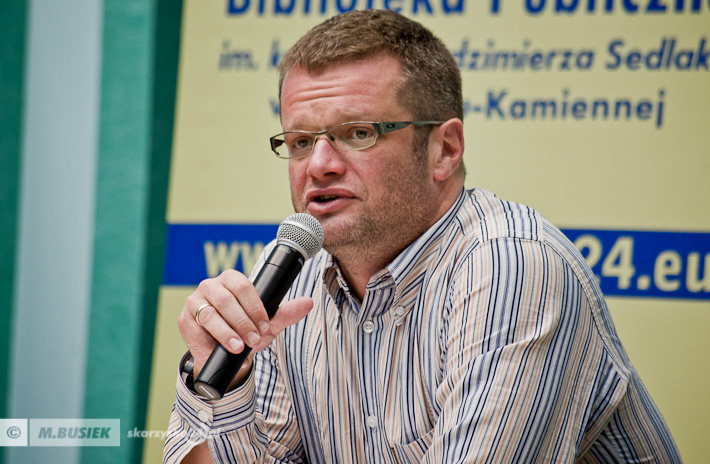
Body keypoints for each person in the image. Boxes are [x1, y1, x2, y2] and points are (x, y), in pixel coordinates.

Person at [163, 9, 681, 463]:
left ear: (444, 150)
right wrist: (226, 379)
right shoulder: (289, 281)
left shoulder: (512, 267)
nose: (318, 165)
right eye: (300, 141)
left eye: (358, 133)